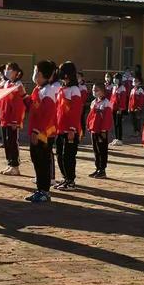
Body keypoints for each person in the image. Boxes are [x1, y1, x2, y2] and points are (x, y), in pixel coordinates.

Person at [24, 61, 57, 203]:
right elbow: (33, 107)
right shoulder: (38, 89)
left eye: (36, 72)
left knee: (42, 160)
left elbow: (47, 114)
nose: (34, 74)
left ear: (44, 76)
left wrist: (38, 132)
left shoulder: (48, 91)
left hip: (44, 133)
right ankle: (40, 189)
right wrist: (23, 96)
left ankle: (44, 191)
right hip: (37, 130)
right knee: (36, 159)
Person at [55, 61, 82, 191]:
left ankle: (70, 181)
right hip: (60, 128)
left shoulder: (74, 90)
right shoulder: (62, 89)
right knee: (60, 154)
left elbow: (76, 111)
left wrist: (72, 128)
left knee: (68, 156)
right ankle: (65, 178)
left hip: (69, 130)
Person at [0, 62, 25, 176]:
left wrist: (15, 120)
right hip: (4, 118)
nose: (6, 71)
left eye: (9, 69)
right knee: (6, 142)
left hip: (12, 120)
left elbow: (18, 105)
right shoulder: (6, 83)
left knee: (12, 142)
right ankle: (9, 164)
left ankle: (15, 165)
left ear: (16, 72)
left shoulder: (18, 85)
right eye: (6, 69)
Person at [87, 83, 113, 179]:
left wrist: (103, 130)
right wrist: (89, 126)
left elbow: (107, 118)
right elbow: (90, 116)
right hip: (94, 130)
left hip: (101, 131)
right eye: (93, 90)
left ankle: (102, 170)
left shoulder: (106, 103)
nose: (94, 91)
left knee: (102, 150)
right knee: (96, 150)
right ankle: (97, 168)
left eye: (96, 90)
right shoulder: (93, 102)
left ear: (102, 91)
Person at [110, 73, 126, 146]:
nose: (115, 80)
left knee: (118, 124)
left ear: (120, 80)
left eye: (116, 78)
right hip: (113, 108)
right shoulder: (114, 87)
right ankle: (116, 138)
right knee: (115, 124)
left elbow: (122, 99)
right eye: (114, 78)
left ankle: (120, 139)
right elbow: (112, 98)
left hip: (118, 109)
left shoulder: (122, 88)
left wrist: (120, 109)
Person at [78, 72, 89, 137]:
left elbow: (84, 98)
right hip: (77, 106)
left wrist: (81, 104)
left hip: (81, 106)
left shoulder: (83, 87)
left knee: (81, 120)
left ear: (82, 78)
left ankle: (82, 133)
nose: (77, 78)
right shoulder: (76, 85)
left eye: (79, 76)